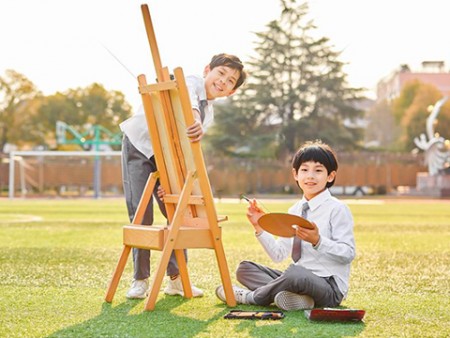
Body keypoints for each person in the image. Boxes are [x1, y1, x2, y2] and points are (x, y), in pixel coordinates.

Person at [120, 53, 247, 299]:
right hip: (139, 144)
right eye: (221, 73)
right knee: (141, 211)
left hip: (168, 154)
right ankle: (140, 279)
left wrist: (173, 182)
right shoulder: (189, 82)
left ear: (231, 92)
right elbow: (185, 100)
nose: (223, 81)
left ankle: (177, 279)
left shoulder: (209, 114)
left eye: (230, 81)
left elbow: (185, 151)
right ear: (207, 69)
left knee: (177, 210)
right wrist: (194, 118)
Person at [216, 140, 356, 310]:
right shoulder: (294, 210)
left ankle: (252, 297)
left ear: (330, 176)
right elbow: (278, 254)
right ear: (295, 174)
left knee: (295, 273)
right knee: (244, 269)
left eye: (318, 170)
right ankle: (302, 300)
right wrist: (259, 226)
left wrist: (318, 241)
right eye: (304, 170)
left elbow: (348, 253)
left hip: (329, 288)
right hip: (297, 281)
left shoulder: (337, 209)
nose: (310, 176)